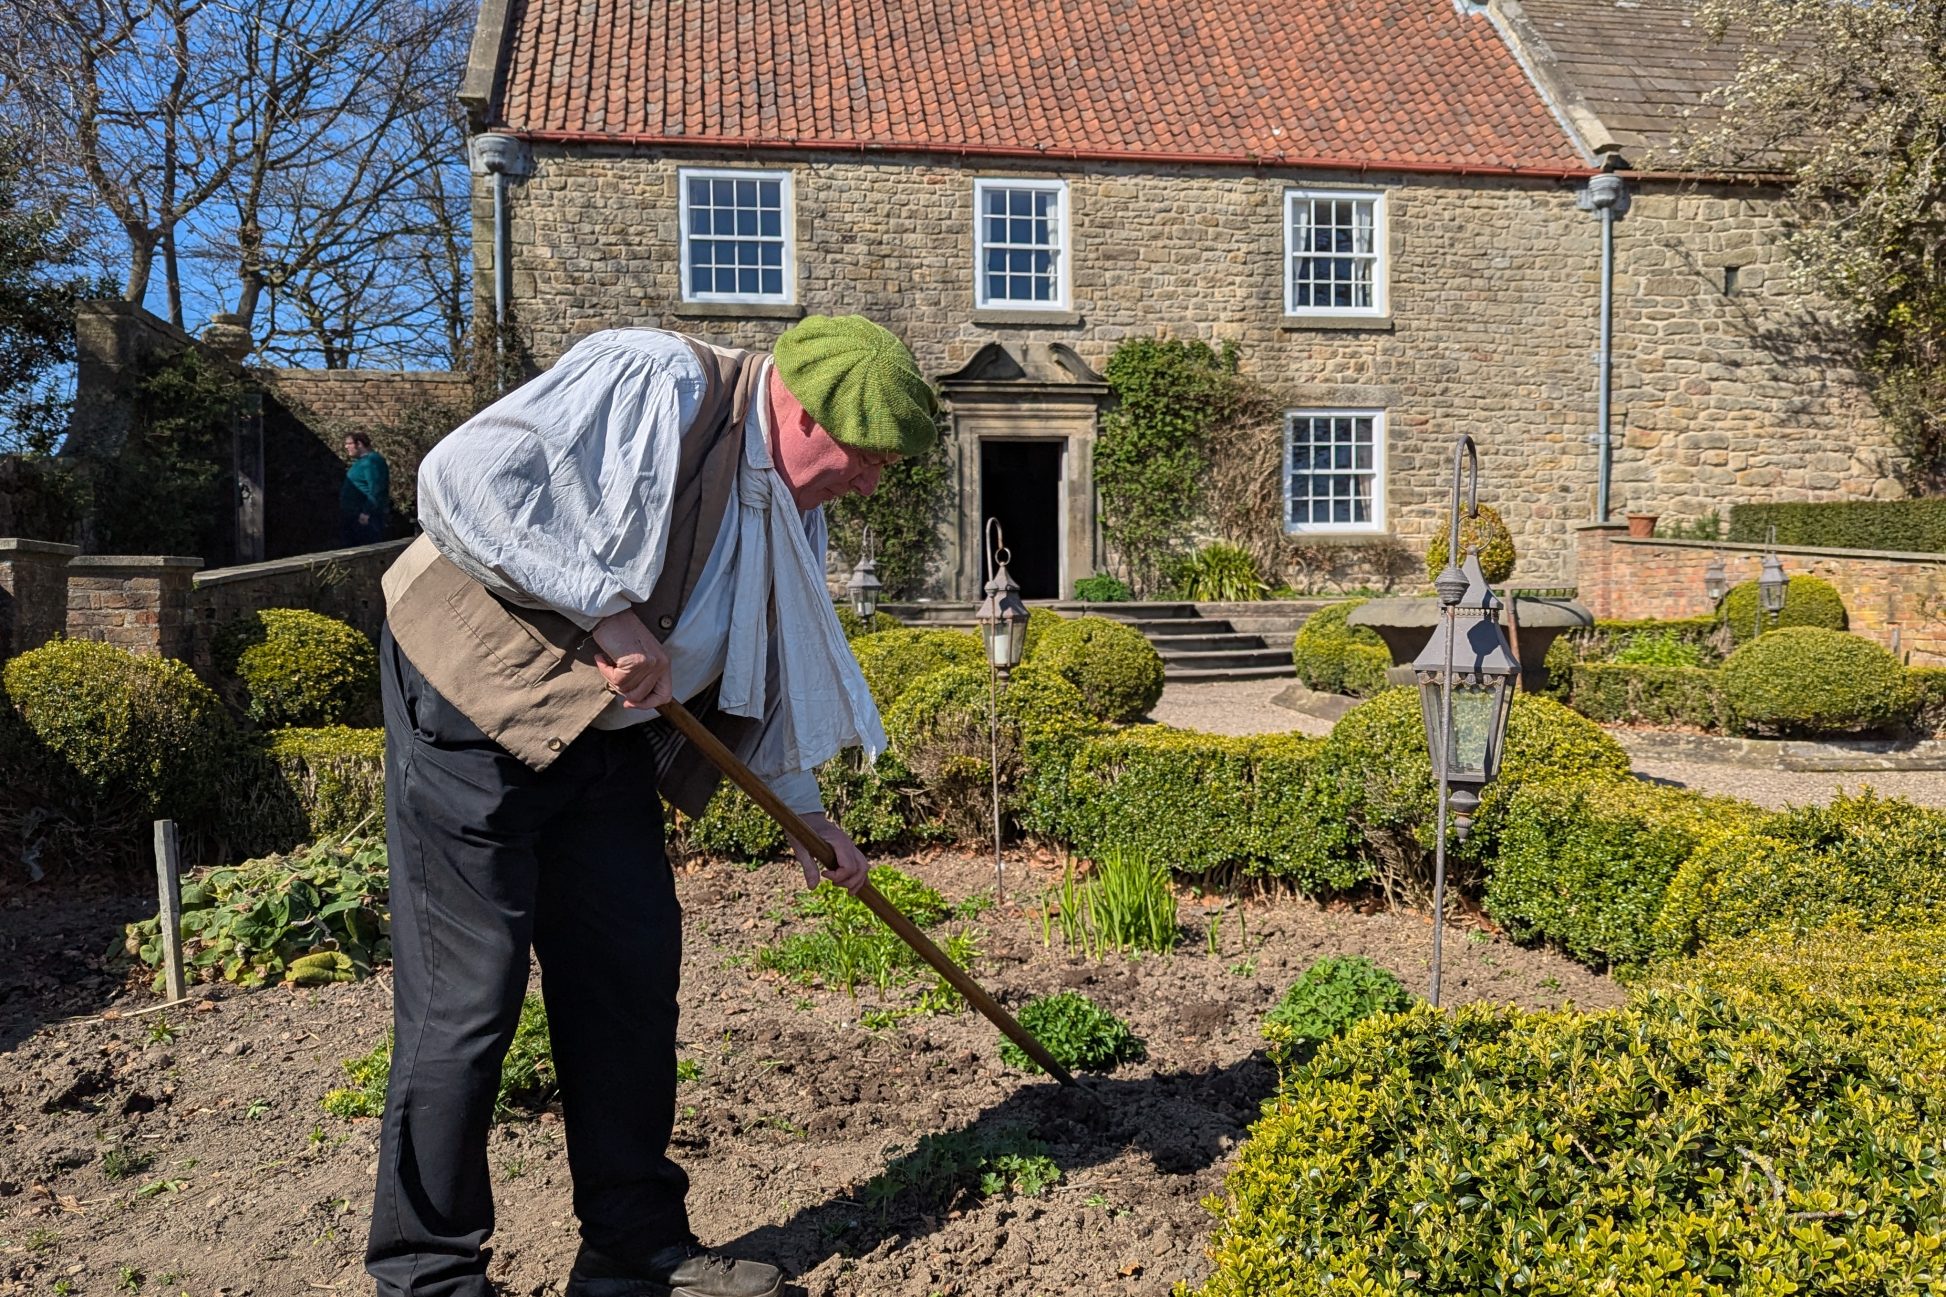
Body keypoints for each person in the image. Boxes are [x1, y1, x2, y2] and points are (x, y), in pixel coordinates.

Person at [367, 315, 937, 1297]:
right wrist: (601, 603)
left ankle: (629, 1249)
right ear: (800, 410)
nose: (870, 482)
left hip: (603, 741)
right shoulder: (657, 381)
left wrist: (806, 816)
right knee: (468, 997)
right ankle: (425, 1275)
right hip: (468, 699)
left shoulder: (789, 496)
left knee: (629, 972)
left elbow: (759, 650)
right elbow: (459, 482)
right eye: (865, 456)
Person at [340, 430, 392, 545]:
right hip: (356, 516)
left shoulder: (372, 461)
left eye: (349, 443)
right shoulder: (362, 462)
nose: (346, 446)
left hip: (365, 518)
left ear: (359, 444)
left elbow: (376, 489)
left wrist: (366, 512)